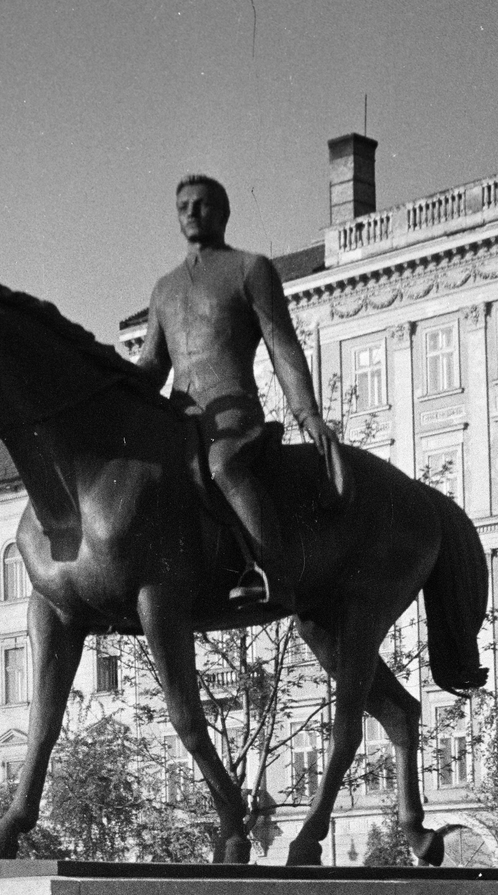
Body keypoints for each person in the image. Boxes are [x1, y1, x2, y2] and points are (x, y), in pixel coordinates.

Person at [134, 173, 345, 609]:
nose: (192, 212)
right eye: (183, 206)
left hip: (235, 414)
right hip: (181, 416)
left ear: (224, 213)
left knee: (223, 464)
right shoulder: (164, 289)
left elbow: (282, 346)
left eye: (202, 204)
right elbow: (152, 365)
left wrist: (307, 414)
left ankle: (271, 571)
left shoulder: (250, 269)